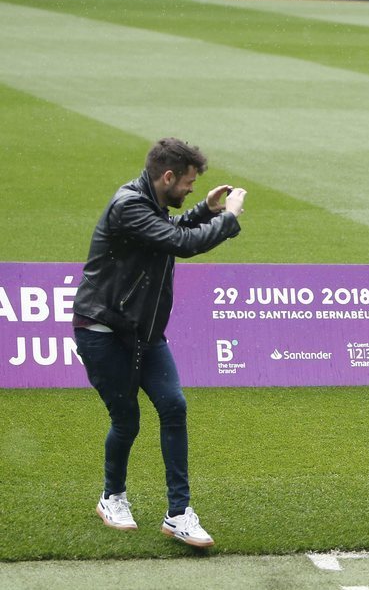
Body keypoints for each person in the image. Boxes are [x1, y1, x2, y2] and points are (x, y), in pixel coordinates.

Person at [72, 138, 247, 549]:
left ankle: (178, 514)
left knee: (174, 405)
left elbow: (170, 231)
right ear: (167, 177)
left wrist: (204, 209)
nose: (188, 188)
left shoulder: (150, 206)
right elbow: (182, 244)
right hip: (103, 331)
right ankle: (111, 496)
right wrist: (231, 218)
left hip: (145, 334)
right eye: (187, 183)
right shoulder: (128, 206)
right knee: (127, 419)